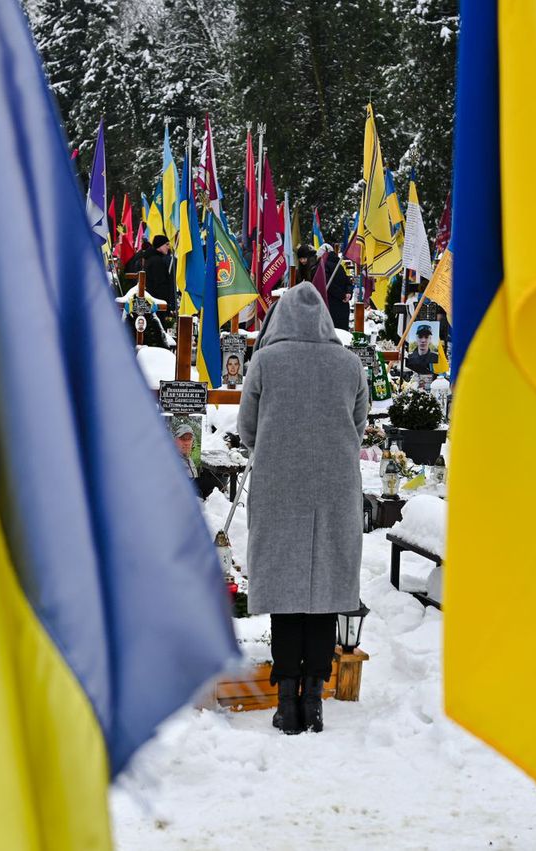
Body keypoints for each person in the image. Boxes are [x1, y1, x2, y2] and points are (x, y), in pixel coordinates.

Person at [238, 284, 368, 735]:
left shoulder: (267, 361)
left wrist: (276, 449)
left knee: (285, 589)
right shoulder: (349, 364)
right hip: (335, 488)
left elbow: (247, 428)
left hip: (280, 486)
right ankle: (314, 697)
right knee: (325, 591)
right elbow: (359, 423)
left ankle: (286, 702)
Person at [317, 246, 353, 330]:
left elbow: (329, 286)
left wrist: (343, 295)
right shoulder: (339, 266)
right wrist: (348, 293)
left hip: (331, 305)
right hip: (343, 306)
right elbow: (348, 282)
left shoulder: (323, 266)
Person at [144, 235, 176, 315]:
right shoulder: (157, 262)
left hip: (153, 303)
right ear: (160, 245)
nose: (168, 247)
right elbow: (160, 285)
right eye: (167, 244)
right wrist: (166, 304)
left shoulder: (154, 259)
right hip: (158, 306)